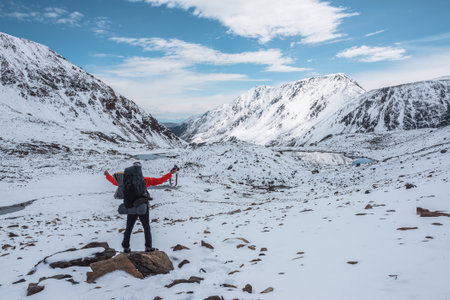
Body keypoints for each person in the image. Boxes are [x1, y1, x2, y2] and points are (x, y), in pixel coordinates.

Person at [104, 162, 177, 253]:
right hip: (143, 207)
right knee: (146, 227)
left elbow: (115, 182)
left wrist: (107, 175)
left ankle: (126, 247)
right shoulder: (144, 180)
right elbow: (159, 181)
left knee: (129, 227)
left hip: (131, 207)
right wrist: (170, 174)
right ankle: (148, 247)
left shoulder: (126, 180)